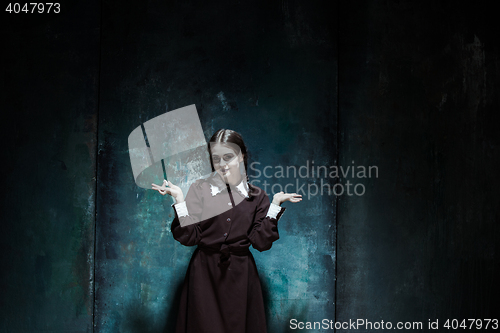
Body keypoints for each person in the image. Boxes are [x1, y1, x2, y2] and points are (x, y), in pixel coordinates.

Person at [152, 129, 301, 333]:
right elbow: (190, 237)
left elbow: (261, 242)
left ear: (241, 156)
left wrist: (274, 206)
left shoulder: (257, 197)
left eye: (228, 157)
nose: (222, 164)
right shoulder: (200, 189)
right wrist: (179, 200)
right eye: (216, 159)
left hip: (241, 277)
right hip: (204, 275)